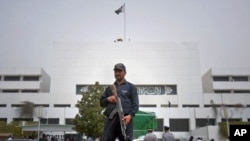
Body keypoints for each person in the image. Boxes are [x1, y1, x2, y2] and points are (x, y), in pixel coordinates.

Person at [100, 63, 139, 141]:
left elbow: (135, 104)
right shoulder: (109, 88)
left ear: (124, 72)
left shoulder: (131, 87)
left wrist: (130, 116)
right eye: (116, 71)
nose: (117, 73)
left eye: (119, 71)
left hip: (125, 119)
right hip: (111, 120)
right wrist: (108, 99)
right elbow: (101, 102)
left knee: (126, 139)